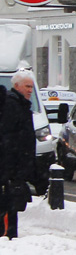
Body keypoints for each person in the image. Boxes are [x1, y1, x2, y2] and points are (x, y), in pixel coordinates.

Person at [0, 72, 35, 238]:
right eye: (27, 86)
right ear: (17, 86)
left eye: (31, 87)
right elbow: (9, 139)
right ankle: (8, 238)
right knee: (8, 206)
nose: (30, 90)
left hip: (14, 170)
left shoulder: (21, 105)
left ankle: (9, 237)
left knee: (12, 205)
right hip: (10, 170)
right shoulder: (12, 106)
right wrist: (10, 170)